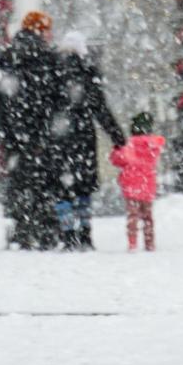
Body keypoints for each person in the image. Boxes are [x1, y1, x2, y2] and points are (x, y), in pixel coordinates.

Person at [0, 10, 62, 248]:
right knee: (46, 185)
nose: (51, 35)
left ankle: (21, 230)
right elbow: (58, 100)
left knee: (19, 182)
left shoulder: (7, 57)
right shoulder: (50, 58)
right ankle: (46, 231)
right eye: (48, 30)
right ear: (40, 30)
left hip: (14, 136)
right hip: (44, 135)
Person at [51, 31, 126, 250]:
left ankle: (67, 235)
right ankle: (85, 233)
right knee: (83, 188)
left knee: (63, 189)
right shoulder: (88, 73)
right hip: (83, 138)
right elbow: (100, 109)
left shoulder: (52, 72)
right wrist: (117, 136)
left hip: (59, 138)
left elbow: (43, 108)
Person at [110, 111, 166, 252]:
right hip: (148, 185)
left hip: (131, 186)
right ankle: (149, 243)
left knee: (132, 216)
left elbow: (116, 160)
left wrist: (116, 150)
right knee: (148, 216)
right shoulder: (154, 146)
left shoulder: (128, 145)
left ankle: (132, 243)